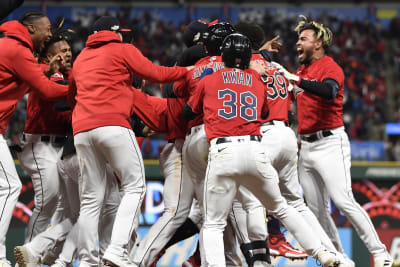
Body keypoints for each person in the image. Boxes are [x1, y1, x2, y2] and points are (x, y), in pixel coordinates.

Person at [182, 32, 342, 267]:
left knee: (214, 223)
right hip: (254, 150)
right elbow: (265, 112)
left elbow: (188, 113)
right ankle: (322, 253)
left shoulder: (210, 78)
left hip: (223, 153)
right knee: (281, 207)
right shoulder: (256, 79)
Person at [67, 16, 191, 267]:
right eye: (121, 32)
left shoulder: (80, 58)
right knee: (134, 187)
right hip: (113, 124)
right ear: (114, 33)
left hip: (82, 129)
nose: (124, 36)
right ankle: (116, 250)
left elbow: (72, 95)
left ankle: (89, 262)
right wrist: (186, 72)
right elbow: (156, 74)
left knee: (91, 199)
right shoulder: (122, 49)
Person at [273, 17, 393, 267]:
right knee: (316, 211)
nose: (297, 43)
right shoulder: (301, 71)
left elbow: (328, 92)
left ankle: (380, 253)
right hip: (305, 146)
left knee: (344, 200)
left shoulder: (330, 67)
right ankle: (339, 257)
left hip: (330, 142)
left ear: (318, 43)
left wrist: (295, 81)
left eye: (303, 39)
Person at [0, 11, 68, 267]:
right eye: (46, 29)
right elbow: (48, 90)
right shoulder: (17, 49)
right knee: (9, 187)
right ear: (30, 28)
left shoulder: (11, 46)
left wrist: (46, 68)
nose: (49, 34)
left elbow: (27, 71)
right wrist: (84, 86)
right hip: (35, 142)